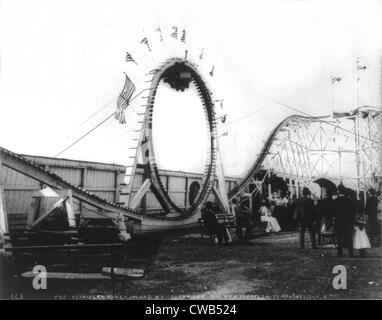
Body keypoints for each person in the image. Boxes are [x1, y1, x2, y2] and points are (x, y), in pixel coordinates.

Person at [333, 183, 355, 257]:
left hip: (339, 222)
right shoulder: (349, 201)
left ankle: (340, 253)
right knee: (349, 238)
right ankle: (351, 253)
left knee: (339, 238)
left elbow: (333, 212)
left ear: (338, 191)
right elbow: (353, 213)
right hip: (348, 223)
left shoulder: (336, 201)